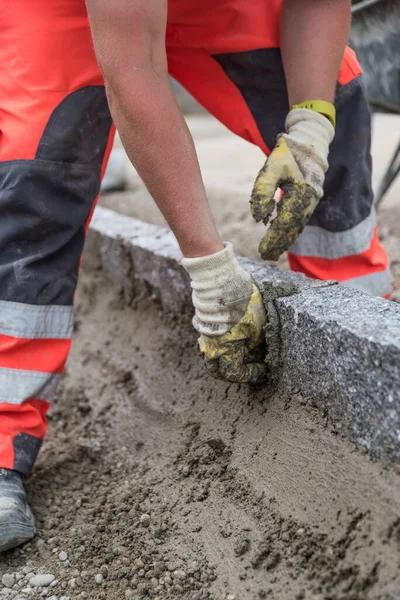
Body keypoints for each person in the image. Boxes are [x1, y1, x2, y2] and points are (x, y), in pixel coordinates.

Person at [0, 0, 390, 552]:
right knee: (36, 179)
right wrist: (208, 267)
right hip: (65, 12)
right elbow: (134, 74)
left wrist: (309, 129)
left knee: (333, 90)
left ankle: (363, 351)